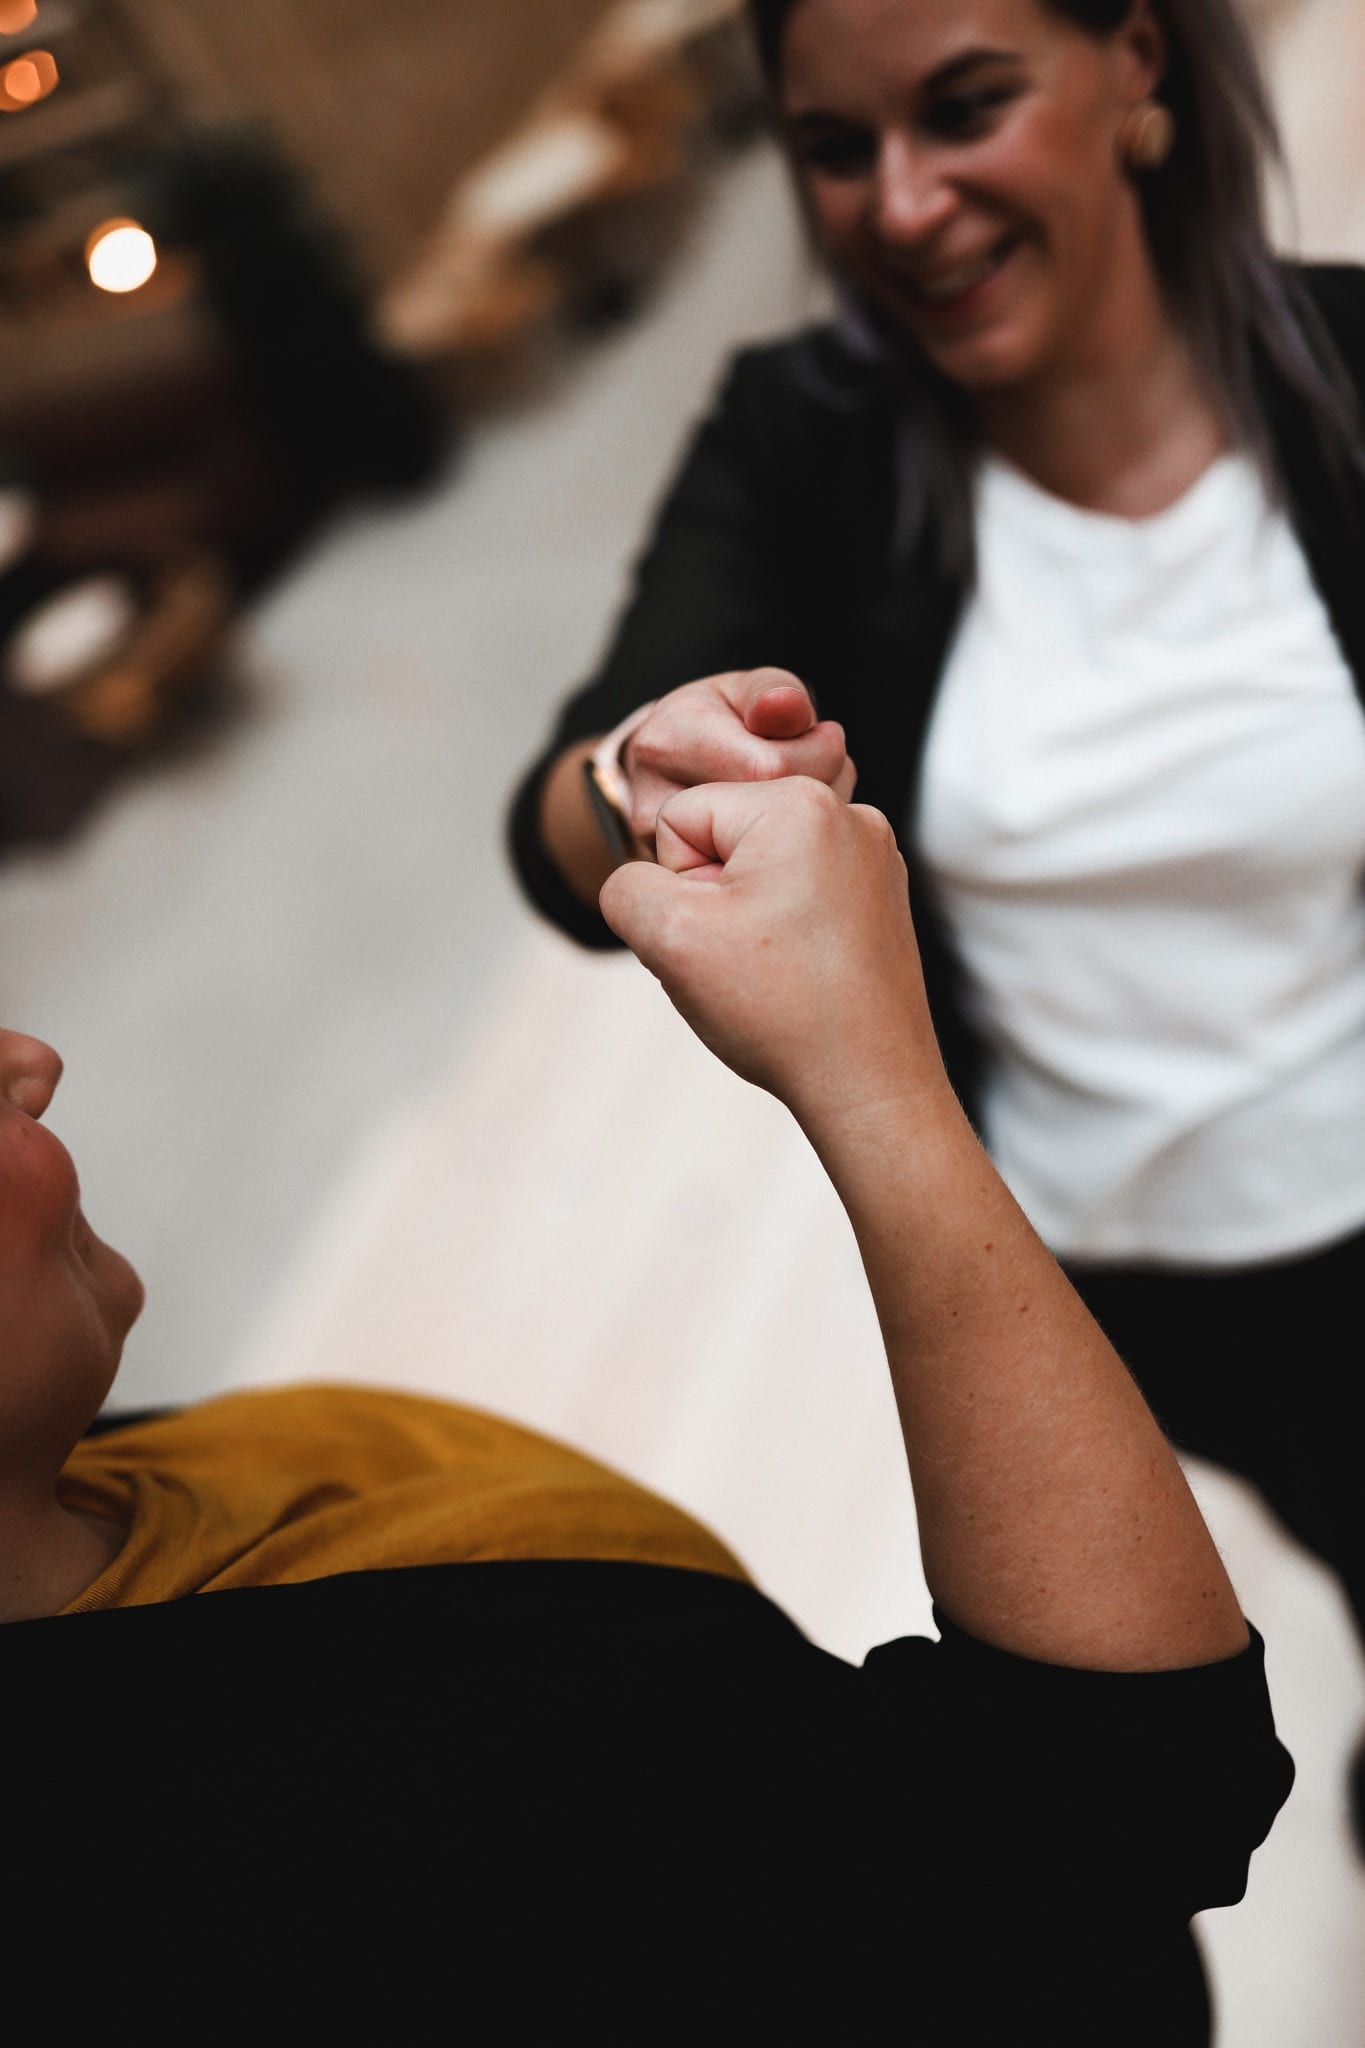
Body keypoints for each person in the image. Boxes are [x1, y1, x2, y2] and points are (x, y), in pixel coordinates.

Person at [3, 781, 1288, 2040]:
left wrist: (616, 785)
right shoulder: (354, 1833)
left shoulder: (77, 1486)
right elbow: (1127, 1796)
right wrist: (872, 1075)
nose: (31, 1062)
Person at [508, 0, 1365, 1834]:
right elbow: (554, 826)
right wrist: (636, 774)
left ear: (1136, 63)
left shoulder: (1349, 369)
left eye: (966, 109)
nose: (900, 206)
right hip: (1114, 1269)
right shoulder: (803, 441)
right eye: (837, 148)